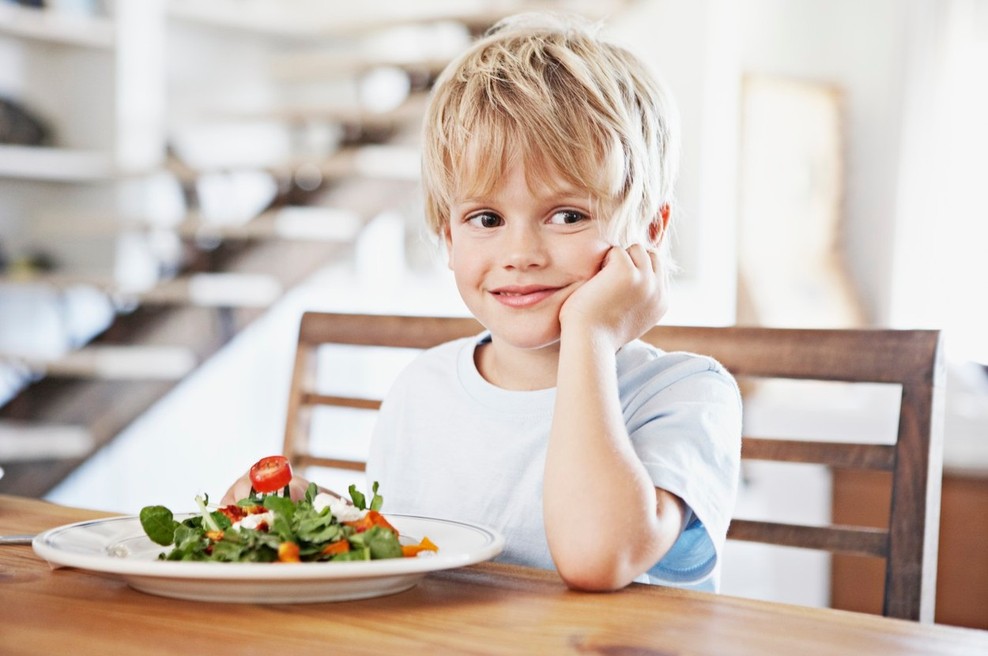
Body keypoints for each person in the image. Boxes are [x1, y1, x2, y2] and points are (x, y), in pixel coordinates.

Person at [224, 11, 741, 592]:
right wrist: (312, 515)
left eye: (567, 215)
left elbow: (597, 556)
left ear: (650, 230)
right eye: (486, 218)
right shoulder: (423, 389)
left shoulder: (685, 395)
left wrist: (591, 334)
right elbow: (415, 561)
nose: (520, 252)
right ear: (449, 237)